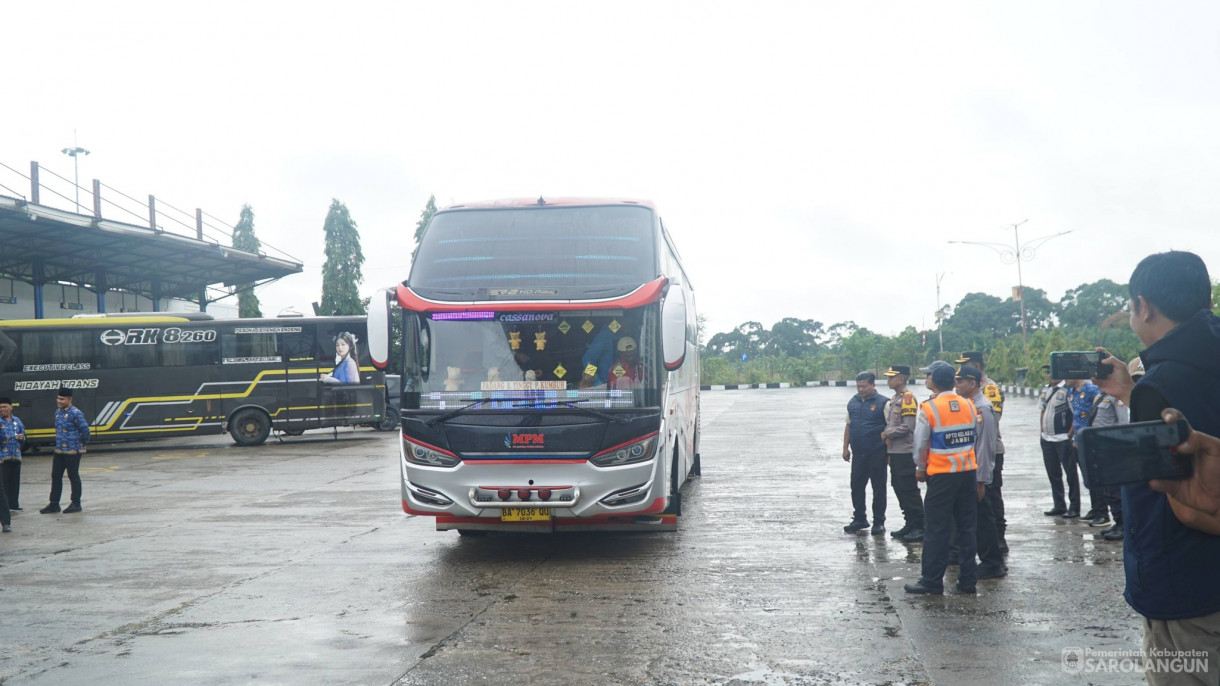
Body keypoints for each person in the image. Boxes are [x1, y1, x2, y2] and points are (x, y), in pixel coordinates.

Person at [1093, 250, 1220, 684]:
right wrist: (1130, 393)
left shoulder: (1163, 381)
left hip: (1188, 588)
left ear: (1144, 306)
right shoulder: (1199, 362)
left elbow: (1186, 503)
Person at [904, 360, 979, 595]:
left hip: (942, 475)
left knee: (937, 529)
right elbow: (973, 436)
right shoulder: (969, 404)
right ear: (955, 382)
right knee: (967, 527)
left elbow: (920, 443)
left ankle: (932, 581)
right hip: (967, 472)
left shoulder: (930, 408)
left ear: (933, 383)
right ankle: (968, 581)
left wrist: (920, 467)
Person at [954, 365, 1006, 580]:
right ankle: (988, 559)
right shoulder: (970, 404)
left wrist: (982, 480)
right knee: (976, 518)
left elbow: (985, 447)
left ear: (972, 383)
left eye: (961, 381)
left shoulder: (982, 408)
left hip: (979, 474)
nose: (957, 384)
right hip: (971, 471)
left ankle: (993, 563)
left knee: (984, 519)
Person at [1099, 359, 1144, 541]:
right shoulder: (1124, 397)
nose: (1140, 384)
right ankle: (1121, 523)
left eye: (1143, 378)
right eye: (1135, 380)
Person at [842, 371, 890, 535]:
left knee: (878, 488)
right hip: (858, 453)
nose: (861, 389)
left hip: (877, 453)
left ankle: (879, 521)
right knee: (856, 486)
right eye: (858, 386)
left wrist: (889, 453)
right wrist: (845, 447)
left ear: (873, 385)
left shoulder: (884, 403)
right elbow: (849, 425)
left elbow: (889, 429)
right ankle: (860, 518)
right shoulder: (853, 402)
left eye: (864, 386)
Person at [881, 365, 924, 543]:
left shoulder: (907, 399)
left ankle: (920, 526)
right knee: (899, 488)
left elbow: (908, 427)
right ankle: (910, 523)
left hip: (905, 451)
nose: (888, 380)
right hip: (896, 451)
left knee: (909, 490)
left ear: (901, 379)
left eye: (892, 377)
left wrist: (887, 433)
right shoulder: (896, 398)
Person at [1082, 387, 1130, 528]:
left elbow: (1123, 423)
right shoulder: (1100, 395)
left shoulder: (1116, 396)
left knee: (1115, 490)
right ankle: (1116, 522)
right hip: (1099, 448)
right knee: (1107, 490)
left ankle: (1122, 524)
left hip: (1111, 448)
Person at [40, 387, 91, 514]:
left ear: (69, 399)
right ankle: (54, 504)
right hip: (59, 450)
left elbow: (85, 430)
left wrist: (83, 443)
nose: (59, 401)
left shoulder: (76, 413)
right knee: (56, 476)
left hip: (72, 450)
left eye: (62, 399)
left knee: (73, 476)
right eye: (58, 398)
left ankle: (76, 503)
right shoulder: (57, 412)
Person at [1038, 367, 1078, 517]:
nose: (1049, 375)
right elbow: (1042, 411)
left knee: (1071, 474)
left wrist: (1070, 434)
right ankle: (1059, 505)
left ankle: (1074, 507)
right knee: (1053, 474)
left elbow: (1076, 414)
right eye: (1047, 372)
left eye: (1053, 372)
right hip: (1047, 439)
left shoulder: (1068, 390)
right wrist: (1041, 433)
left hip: (1063, 438)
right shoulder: (1045, 390)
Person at [1064, 377, 1100, 519]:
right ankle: (1094, 508)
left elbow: (1097, 413)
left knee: (1096, 477)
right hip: (1078, 440)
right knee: (1087, 477)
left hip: (1090, 439)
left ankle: (1101, 511)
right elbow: (1075, 415)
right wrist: (1071, 434)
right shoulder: (1071, 392)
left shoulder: (1091, 390)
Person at [0, 397, 24, 512]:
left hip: (16, 456)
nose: (2, 409)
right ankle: (5, 507)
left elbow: (24, 437)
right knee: (4, 483)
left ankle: (14, 505)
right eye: (0, 407)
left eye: (4, 406)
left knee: (15, 482)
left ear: (11, 407)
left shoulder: (17, 421)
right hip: (3, 458)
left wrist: (21, 438)